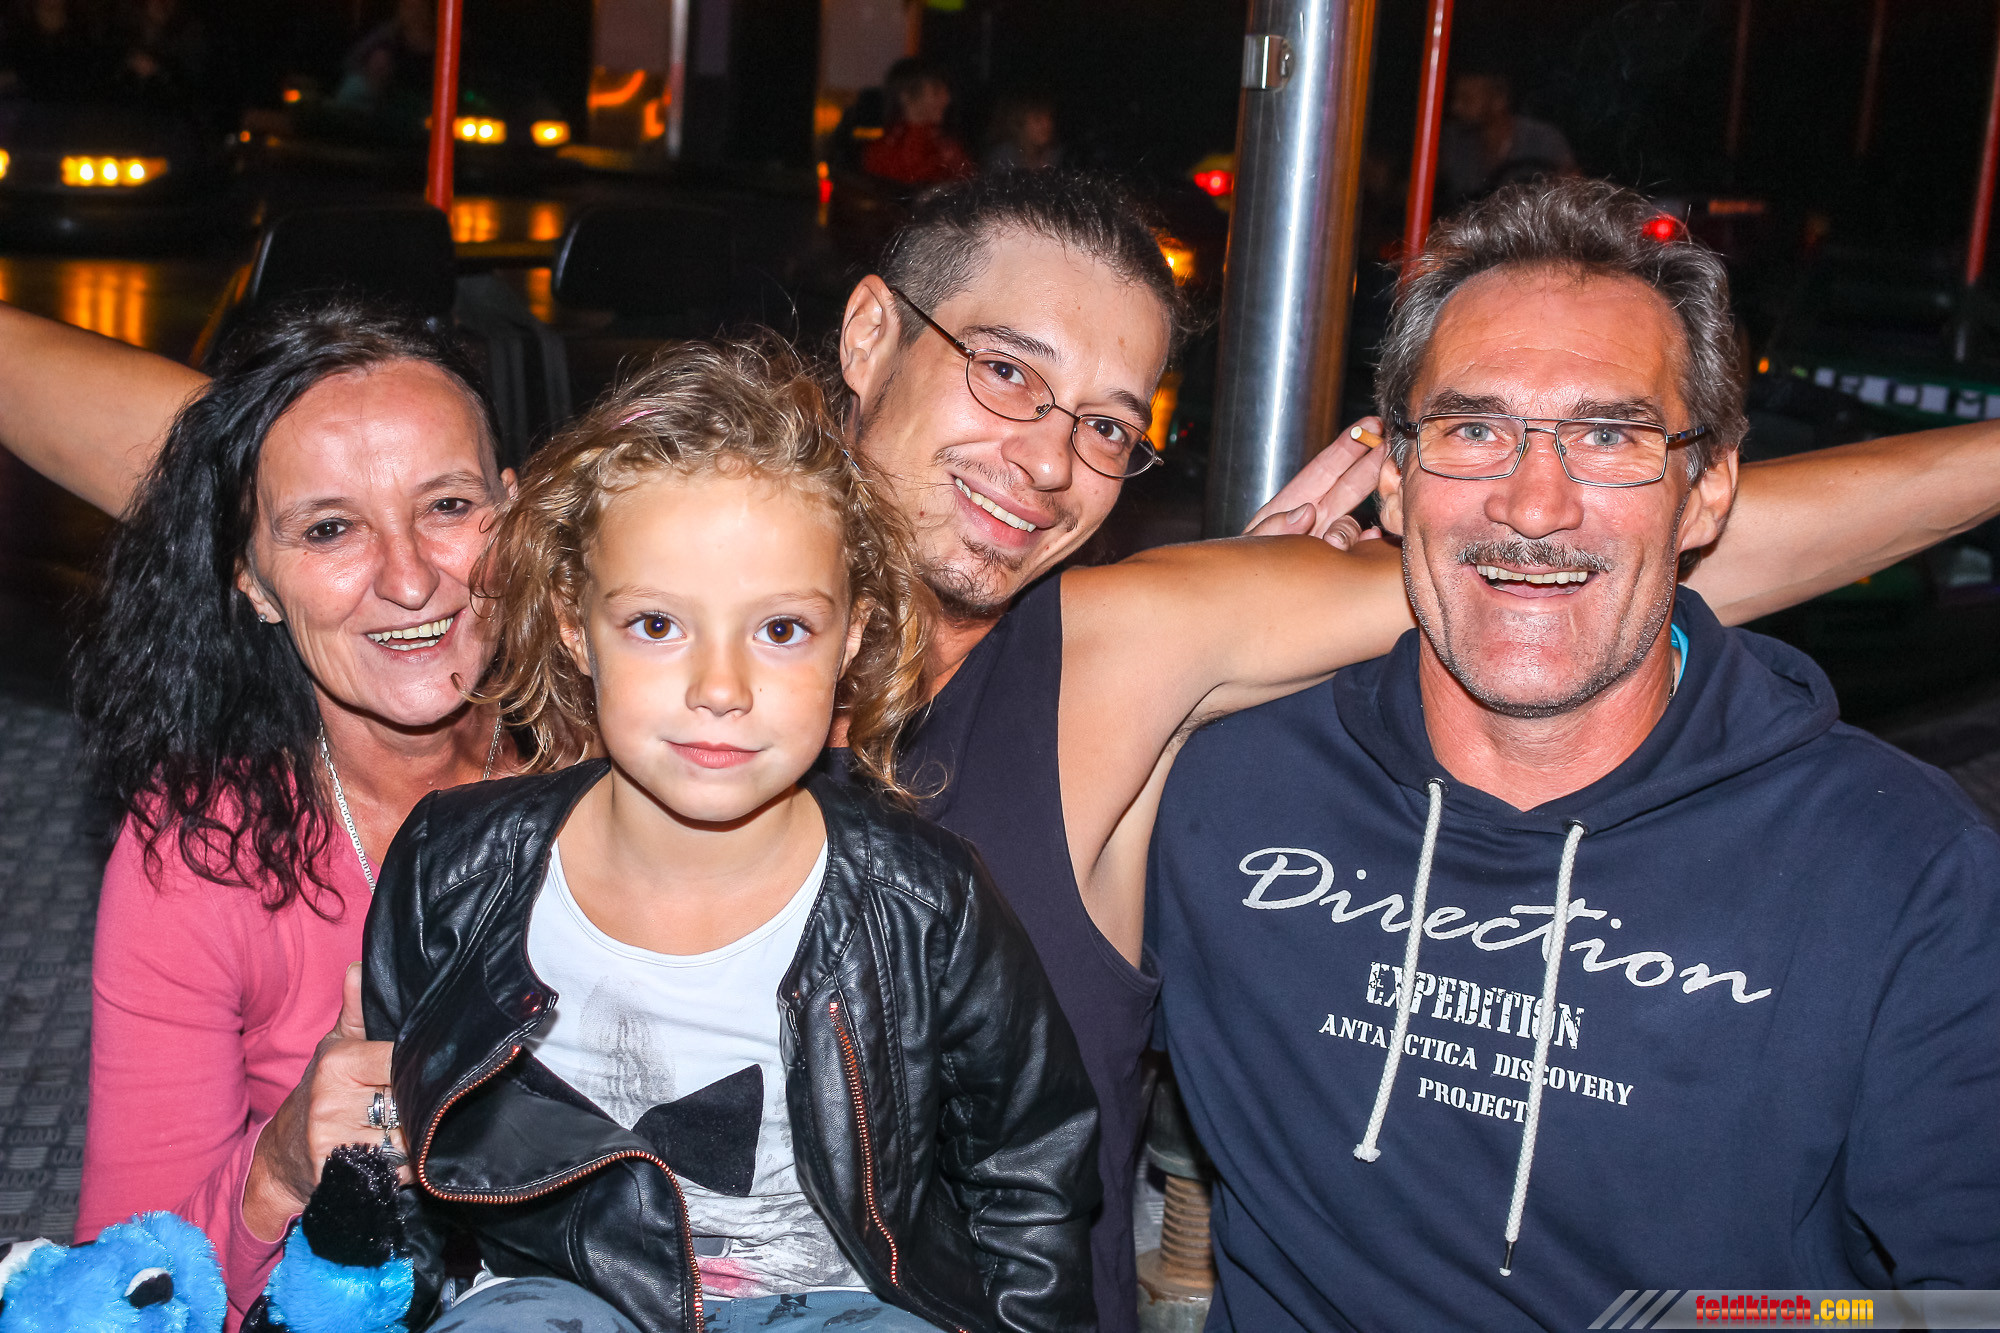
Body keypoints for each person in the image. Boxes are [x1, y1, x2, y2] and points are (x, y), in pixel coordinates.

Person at [16, 168, 2000, 1331]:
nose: (1050, 457)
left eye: (1111, 424)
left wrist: (1459, 477)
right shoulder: (649, 590)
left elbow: (1596, 560)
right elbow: (257, 477)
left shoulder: (1116, 650)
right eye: (1009, 372)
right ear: (873, 338)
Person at [1147, 180, 2000, 1331]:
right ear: (1393, 473)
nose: (1533, 504)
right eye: (1473, 430)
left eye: (1607, 437)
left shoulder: (1897, 868)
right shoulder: (1221, 787)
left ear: (1705, 489)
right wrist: (1242, 620)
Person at [365, 339, 1097, 1333]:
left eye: (780, 630)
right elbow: (398, 1142)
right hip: (555, 1293)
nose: (720, 688)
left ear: (851, 635)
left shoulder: (924, 901)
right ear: (575, 622)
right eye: (657, 625)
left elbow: (1029, 1171)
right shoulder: (451, 867)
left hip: (840, 1304)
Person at [71, 298, 521, 1330]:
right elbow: (117, 1295)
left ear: (516, 508)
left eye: (448, 506)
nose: (409, 578)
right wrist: (279, 1165)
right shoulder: (203, 848)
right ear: (254, 582)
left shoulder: (636, 755)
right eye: (329, 529)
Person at [1437, 71, 1576, 206]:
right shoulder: (1454, 143)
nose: (1455, 107)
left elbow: (1573, 192)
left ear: (1499, 99)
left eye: (1467, 99)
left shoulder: (1543, 139)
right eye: (1455, 98)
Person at [862, 57, 973, 187]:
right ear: (906, 96)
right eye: (936, 91)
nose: (947, 99)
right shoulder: (881, 152)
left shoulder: (948, 146)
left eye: (946, 91)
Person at [984, 94, 1063, 173]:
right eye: (1037, 119)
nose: (1048, 125)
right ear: (1019, 123)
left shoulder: (1057, 158)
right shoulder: (1002, 159)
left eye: (1050, 117)